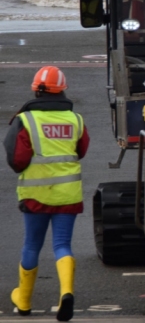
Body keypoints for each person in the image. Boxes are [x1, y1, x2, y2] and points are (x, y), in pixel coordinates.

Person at [3, 66, 90, 322]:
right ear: (62, 91)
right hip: (68, 195)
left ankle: (25, 302)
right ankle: (66, 292)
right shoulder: (76, 120)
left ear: (35, 91)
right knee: (62, 245)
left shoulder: (25, 120)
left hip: (35, 194)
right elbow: (81, 150)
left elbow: (17, 159)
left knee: (32, 245)